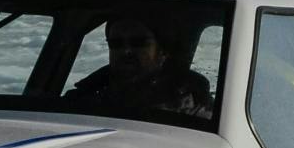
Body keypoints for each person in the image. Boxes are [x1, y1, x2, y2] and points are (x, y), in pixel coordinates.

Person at [71, 19, 213, 120]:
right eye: (116, 44)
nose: (126, 51)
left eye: (138, 43)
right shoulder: (84, 97)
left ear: (162, 51)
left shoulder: (193, 105)